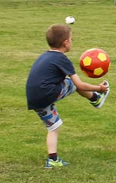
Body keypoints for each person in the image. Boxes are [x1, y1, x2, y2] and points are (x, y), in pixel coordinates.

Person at [26, 24, 110, 169]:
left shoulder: (44, 56)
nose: (72, 41)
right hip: (47, 93)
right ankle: (96, 97)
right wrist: (100, 88)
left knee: (54, 126)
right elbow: (80, 85)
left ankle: (52, 160)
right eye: (71, 39)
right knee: (71, 83)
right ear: (65, 42)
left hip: (34, 97)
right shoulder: (62, 59)